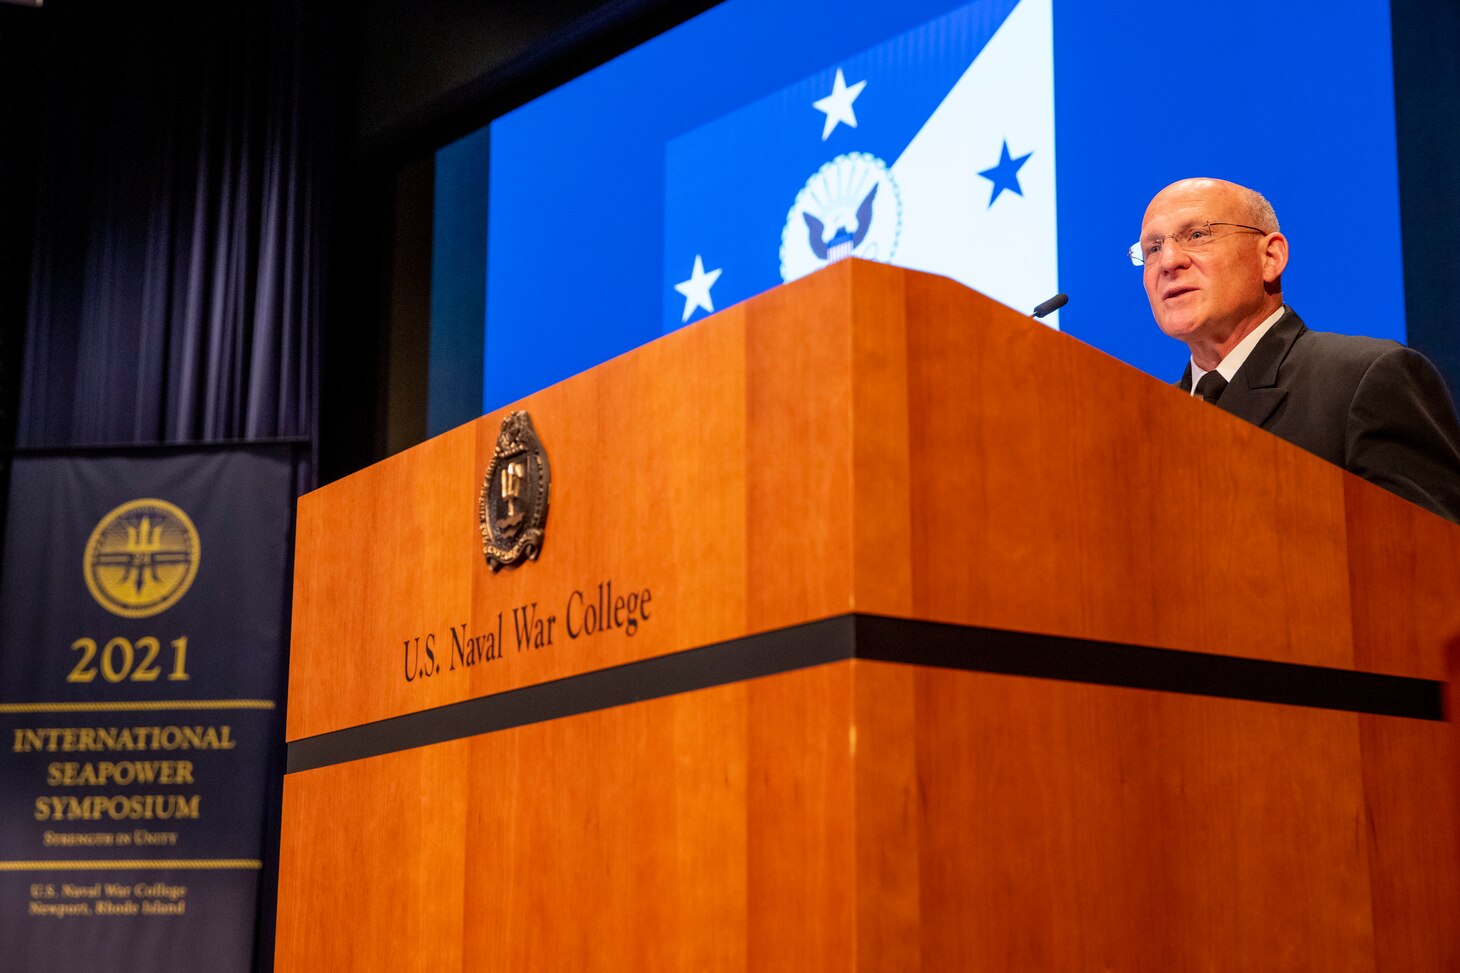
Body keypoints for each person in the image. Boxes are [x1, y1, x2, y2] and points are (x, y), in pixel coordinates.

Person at [1135, 177, 1460, 523]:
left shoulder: (1365, 380)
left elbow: (1429, 561)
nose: (1168, 261)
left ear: (1271, 257)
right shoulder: (1148, 426)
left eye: (1198, 235)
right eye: (1152, 248)